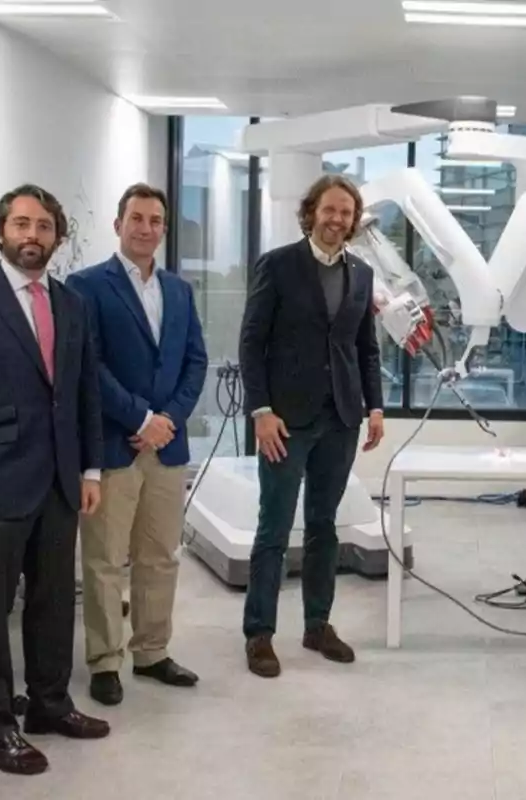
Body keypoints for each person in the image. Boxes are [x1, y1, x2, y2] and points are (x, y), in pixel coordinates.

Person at [0, 184, 108, 775]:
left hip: (62, 483)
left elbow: (83, 391)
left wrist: (90, 469)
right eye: (21, 224)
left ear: (57, 238)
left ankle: (49, 704)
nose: (32, 236)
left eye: (43, 226)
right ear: (1, 232)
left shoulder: (72, 305)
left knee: (51, 603)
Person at [239, 174, 385, 678]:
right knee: (274, 527)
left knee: (324, 524)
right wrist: (260, 411)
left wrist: (376, 406)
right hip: (285, 421)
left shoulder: (361, 274)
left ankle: (317, 624)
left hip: (340, 419)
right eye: (330, 210)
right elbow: (251, 342)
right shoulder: (278, 265)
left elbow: (366, 347)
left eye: (346, 213)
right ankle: (259, 633)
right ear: (311, 213)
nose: (337, 220)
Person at [67, 183, 208, 706]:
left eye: (155, 220)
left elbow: (196, 361)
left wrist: (168, 418)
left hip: (166, 450)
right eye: (137, 218)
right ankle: (105, 660)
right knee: (104, 560)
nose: (146, 228)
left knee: (159, 556)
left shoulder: (180, 290)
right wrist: (141, 416)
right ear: (118, 223)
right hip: (114, 444)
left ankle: (151, 653)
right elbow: (88, 364)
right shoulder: (85, 287)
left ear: (163, 229)